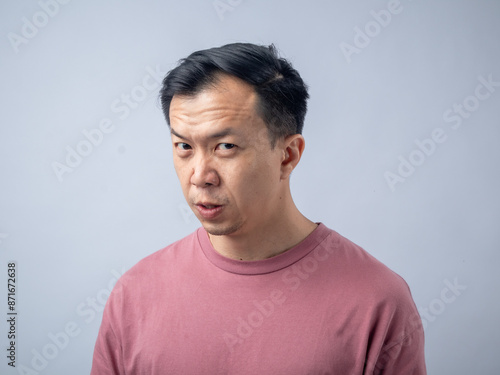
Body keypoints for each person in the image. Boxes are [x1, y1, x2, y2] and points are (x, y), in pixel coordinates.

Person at [91, 43, 426, 374]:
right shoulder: (133, 296)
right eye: (184, 146)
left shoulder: (377, 302)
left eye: (225, 146)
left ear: (288, 155)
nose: (200, 176)